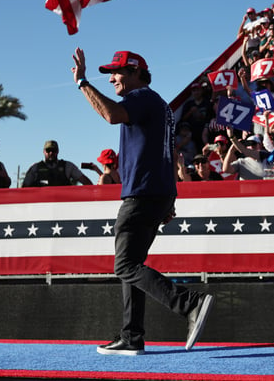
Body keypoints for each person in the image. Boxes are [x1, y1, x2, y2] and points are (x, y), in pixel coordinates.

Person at [71, 48, 213, 355]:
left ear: (136, 72)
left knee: (124, 264)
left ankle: (190, 303)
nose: (112, 79)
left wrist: (83, 82)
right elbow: (167, 154)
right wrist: (168, 198)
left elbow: (110, 115)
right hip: (157, 194)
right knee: (132, 264)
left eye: (116, 72)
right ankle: (131, 336)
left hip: (143, 195)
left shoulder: (141, 99)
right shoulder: (158, 104)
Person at [22, 140, 92, 187]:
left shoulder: (68, 166)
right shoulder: (35, 168)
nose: (51, 153)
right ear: (44, 151)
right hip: (42, 205)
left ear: (58, 151)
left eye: (53, 150)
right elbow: (24, 188)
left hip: (63, 204)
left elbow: (86, 182)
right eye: (48, 150)